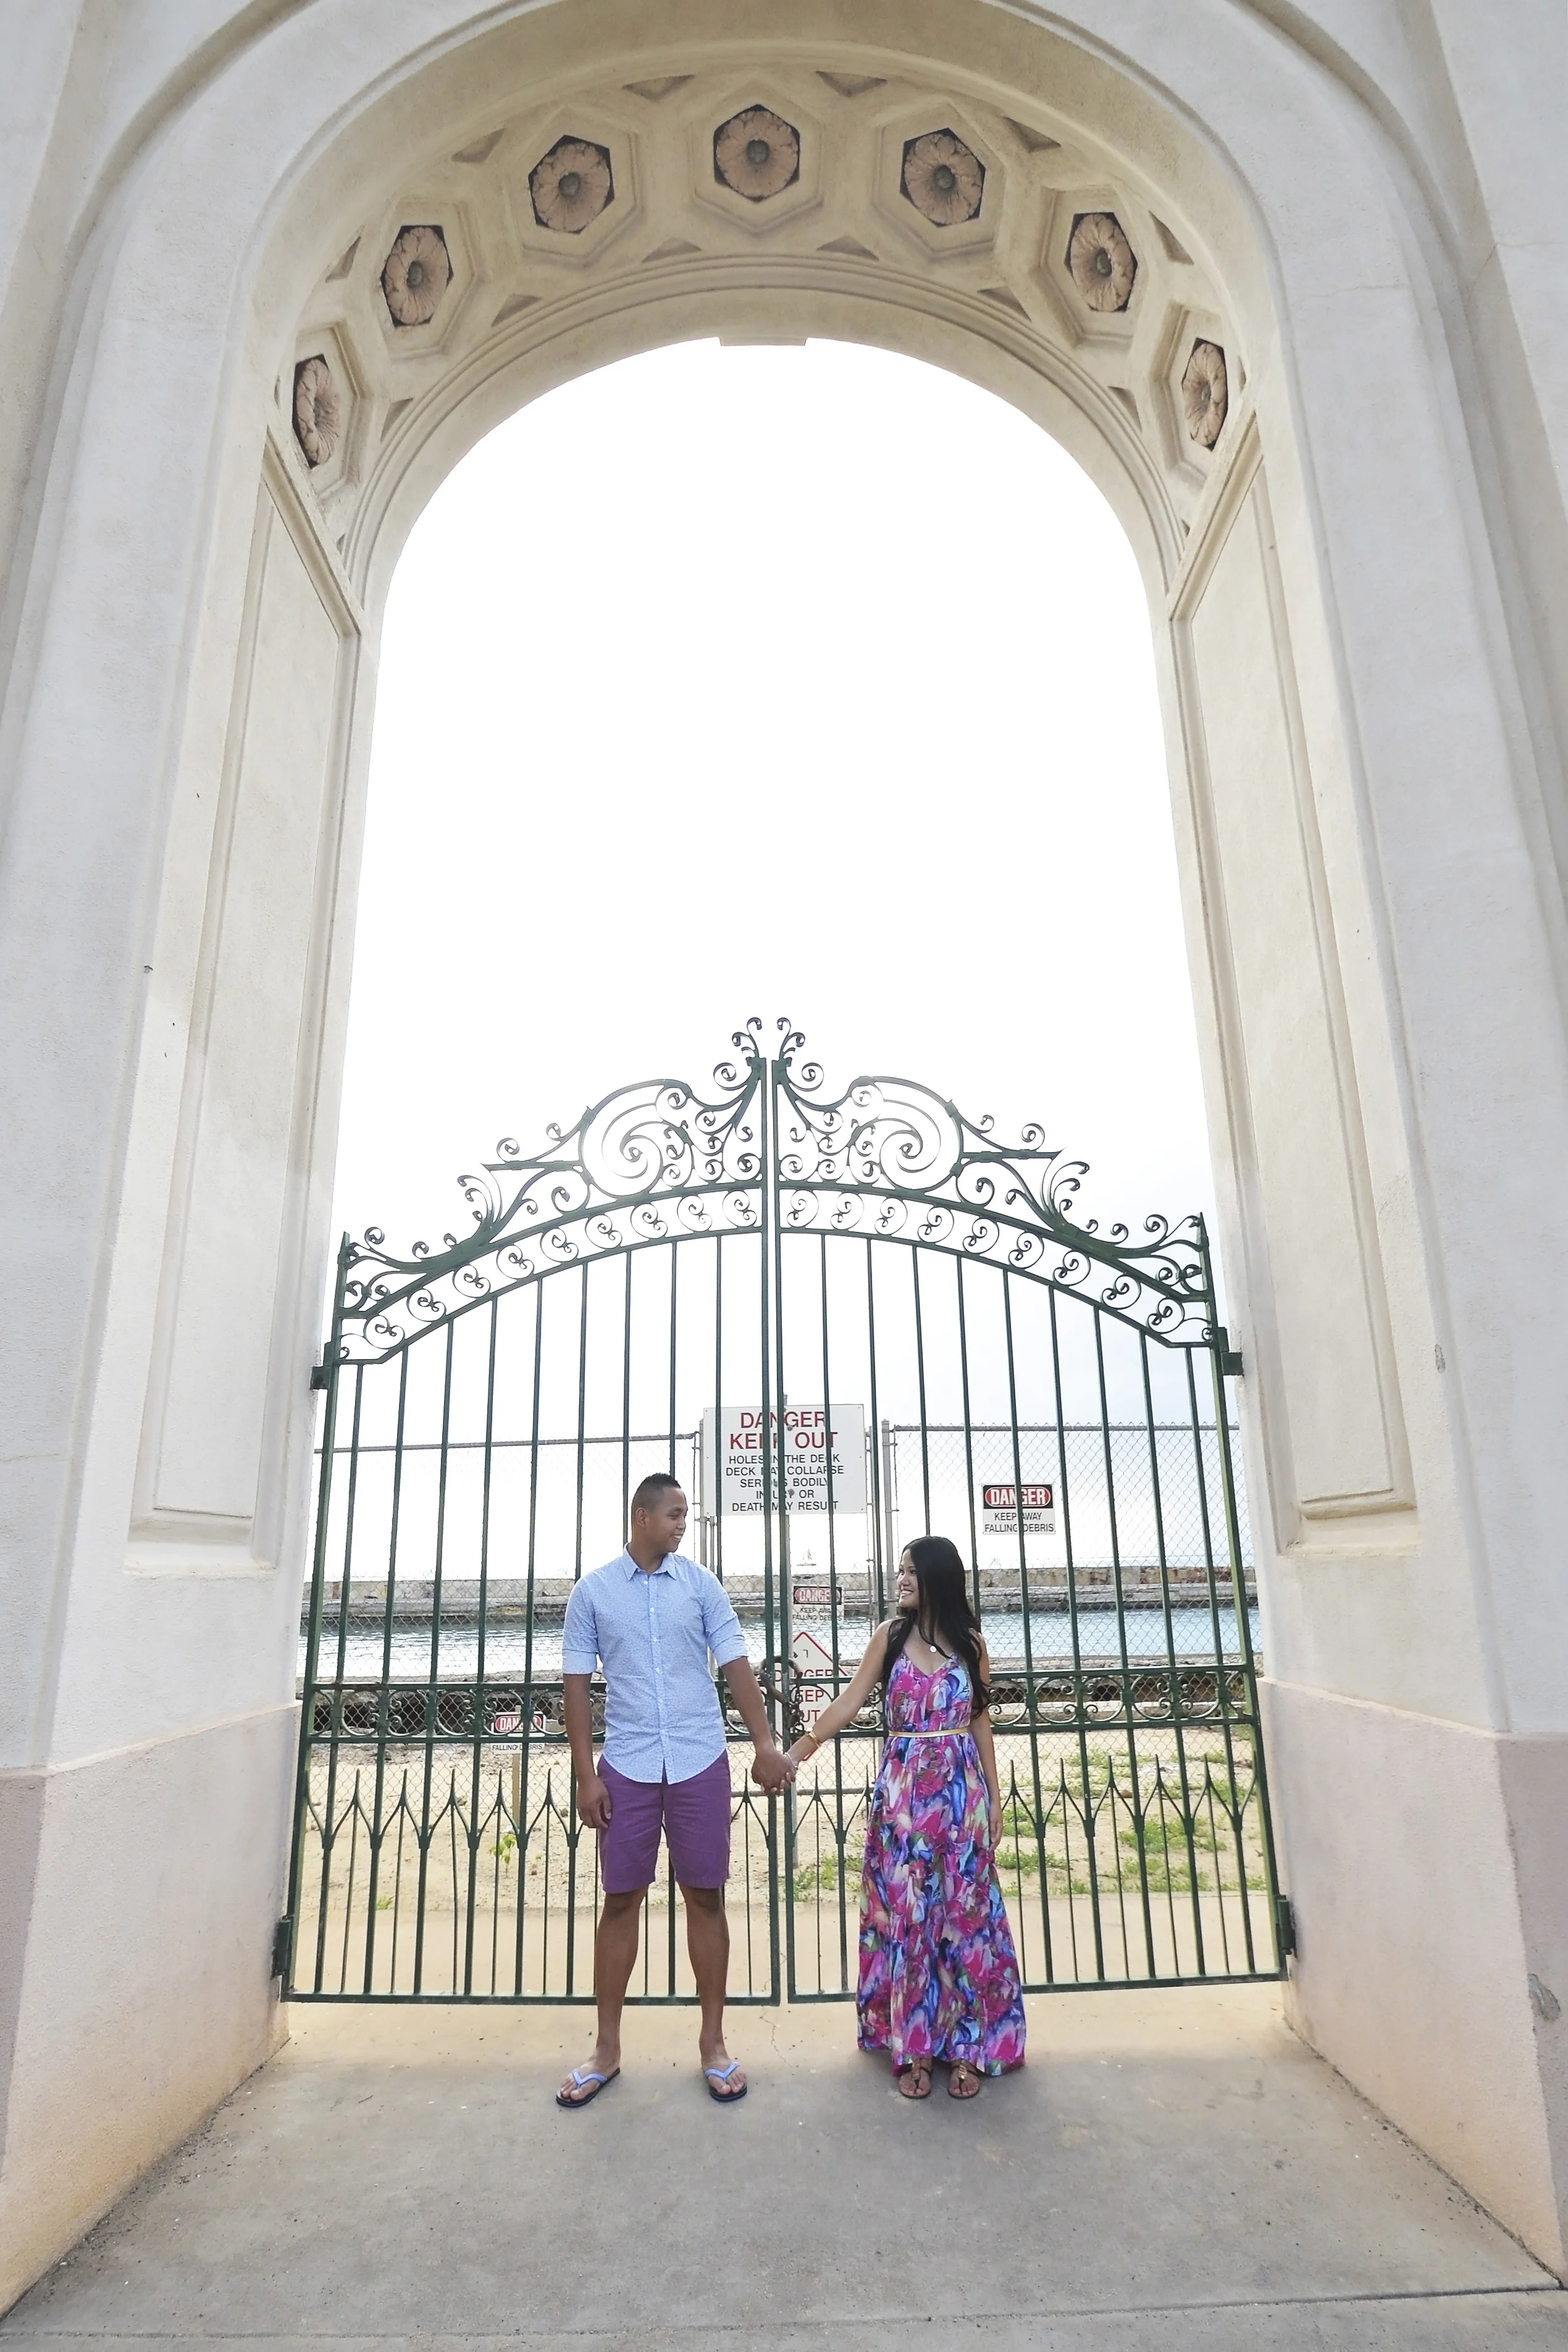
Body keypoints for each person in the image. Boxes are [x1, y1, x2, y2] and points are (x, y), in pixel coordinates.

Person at [555, 1471, 795, 2109]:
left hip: (698, 1760)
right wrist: (586, 1775)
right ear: (641, 1516)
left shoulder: (701, 1586)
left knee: (706, 1900)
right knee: (620, 1901)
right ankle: (606, 2049)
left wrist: (764, 1744)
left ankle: (712, 2044)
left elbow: (738, 1667)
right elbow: (575, 1687)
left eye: (686, 1514)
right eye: (673, 1514)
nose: (682, 1523)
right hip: (628, 1765)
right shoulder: (594, 1593)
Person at [781, 1535, 1026, 2099]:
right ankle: (913, 2044)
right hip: (902, 1802)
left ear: (938, 1575)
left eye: (912, 1571)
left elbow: (981, 1722)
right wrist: (799, 1750)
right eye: (901, 1572)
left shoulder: (972, 1644)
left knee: (965, 1921)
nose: (902, 1580)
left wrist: (994, 1795)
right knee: (909, 1920)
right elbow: (847, 1701)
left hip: (960, 1800)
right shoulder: (890, 1639)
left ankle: (969, 2047)